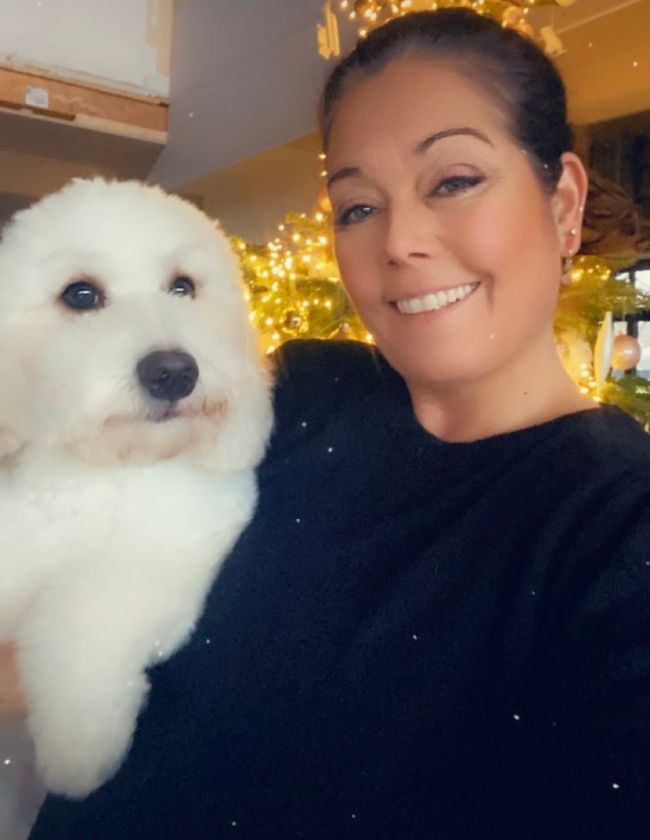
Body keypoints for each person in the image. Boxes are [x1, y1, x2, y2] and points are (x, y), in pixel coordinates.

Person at [20, 8, 650, 838]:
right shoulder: (300, 395)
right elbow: (62, 556)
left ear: (563, 203)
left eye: (453, 181)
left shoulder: (618, 524)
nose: (400, 242)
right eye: (357, 207)